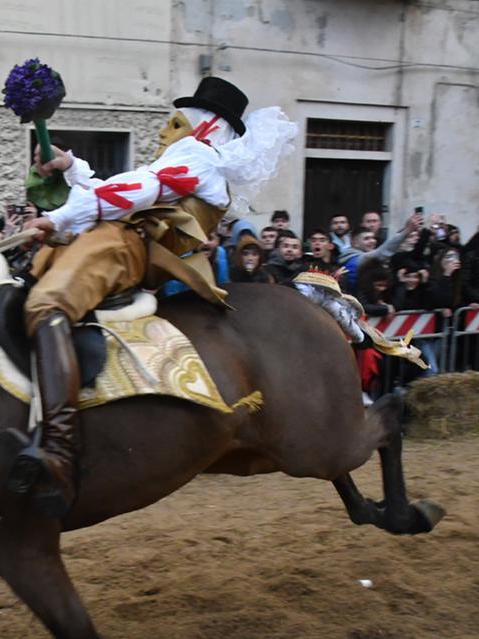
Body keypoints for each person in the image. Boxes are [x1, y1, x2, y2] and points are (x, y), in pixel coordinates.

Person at [15, 76, 295, 516]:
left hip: (120, 247)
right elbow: (120, 188)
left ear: (203, 128)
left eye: (174, 122)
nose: (164, 130)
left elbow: (130, 194)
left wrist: (58, 218)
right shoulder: (187, 161)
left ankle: (58, 450)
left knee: (44, 305)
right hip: (113, 239)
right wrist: (70, 167)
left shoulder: (199, 159)